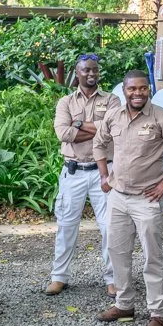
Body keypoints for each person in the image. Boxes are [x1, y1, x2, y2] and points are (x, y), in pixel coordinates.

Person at [93, 70, 163, 326]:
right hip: (118, 197)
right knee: (117, 253)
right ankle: (124, 305)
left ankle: (157, 313)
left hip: (147, 199)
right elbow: (99, 143)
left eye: (142, 88)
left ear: (148, 89)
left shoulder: (162, 117)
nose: (137, 93)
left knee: (153, 257)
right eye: (132, 89)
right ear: (124, 91)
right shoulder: (113, 116)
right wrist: (104, 175)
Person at [46, 53, 121, 297]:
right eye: (86, 70)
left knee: (110, 227)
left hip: (105, 172)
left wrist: (78, 125)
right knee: (66, 226)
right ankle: (59, 277)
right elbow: (63, 134)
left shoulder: (112, 101)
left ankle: (112, 279)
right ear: (76, 74)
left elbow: (112, 131)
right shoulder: (65, 103)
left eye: (95, 70)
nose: (91, 74)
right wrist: (95, 129)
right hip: (73, 171)